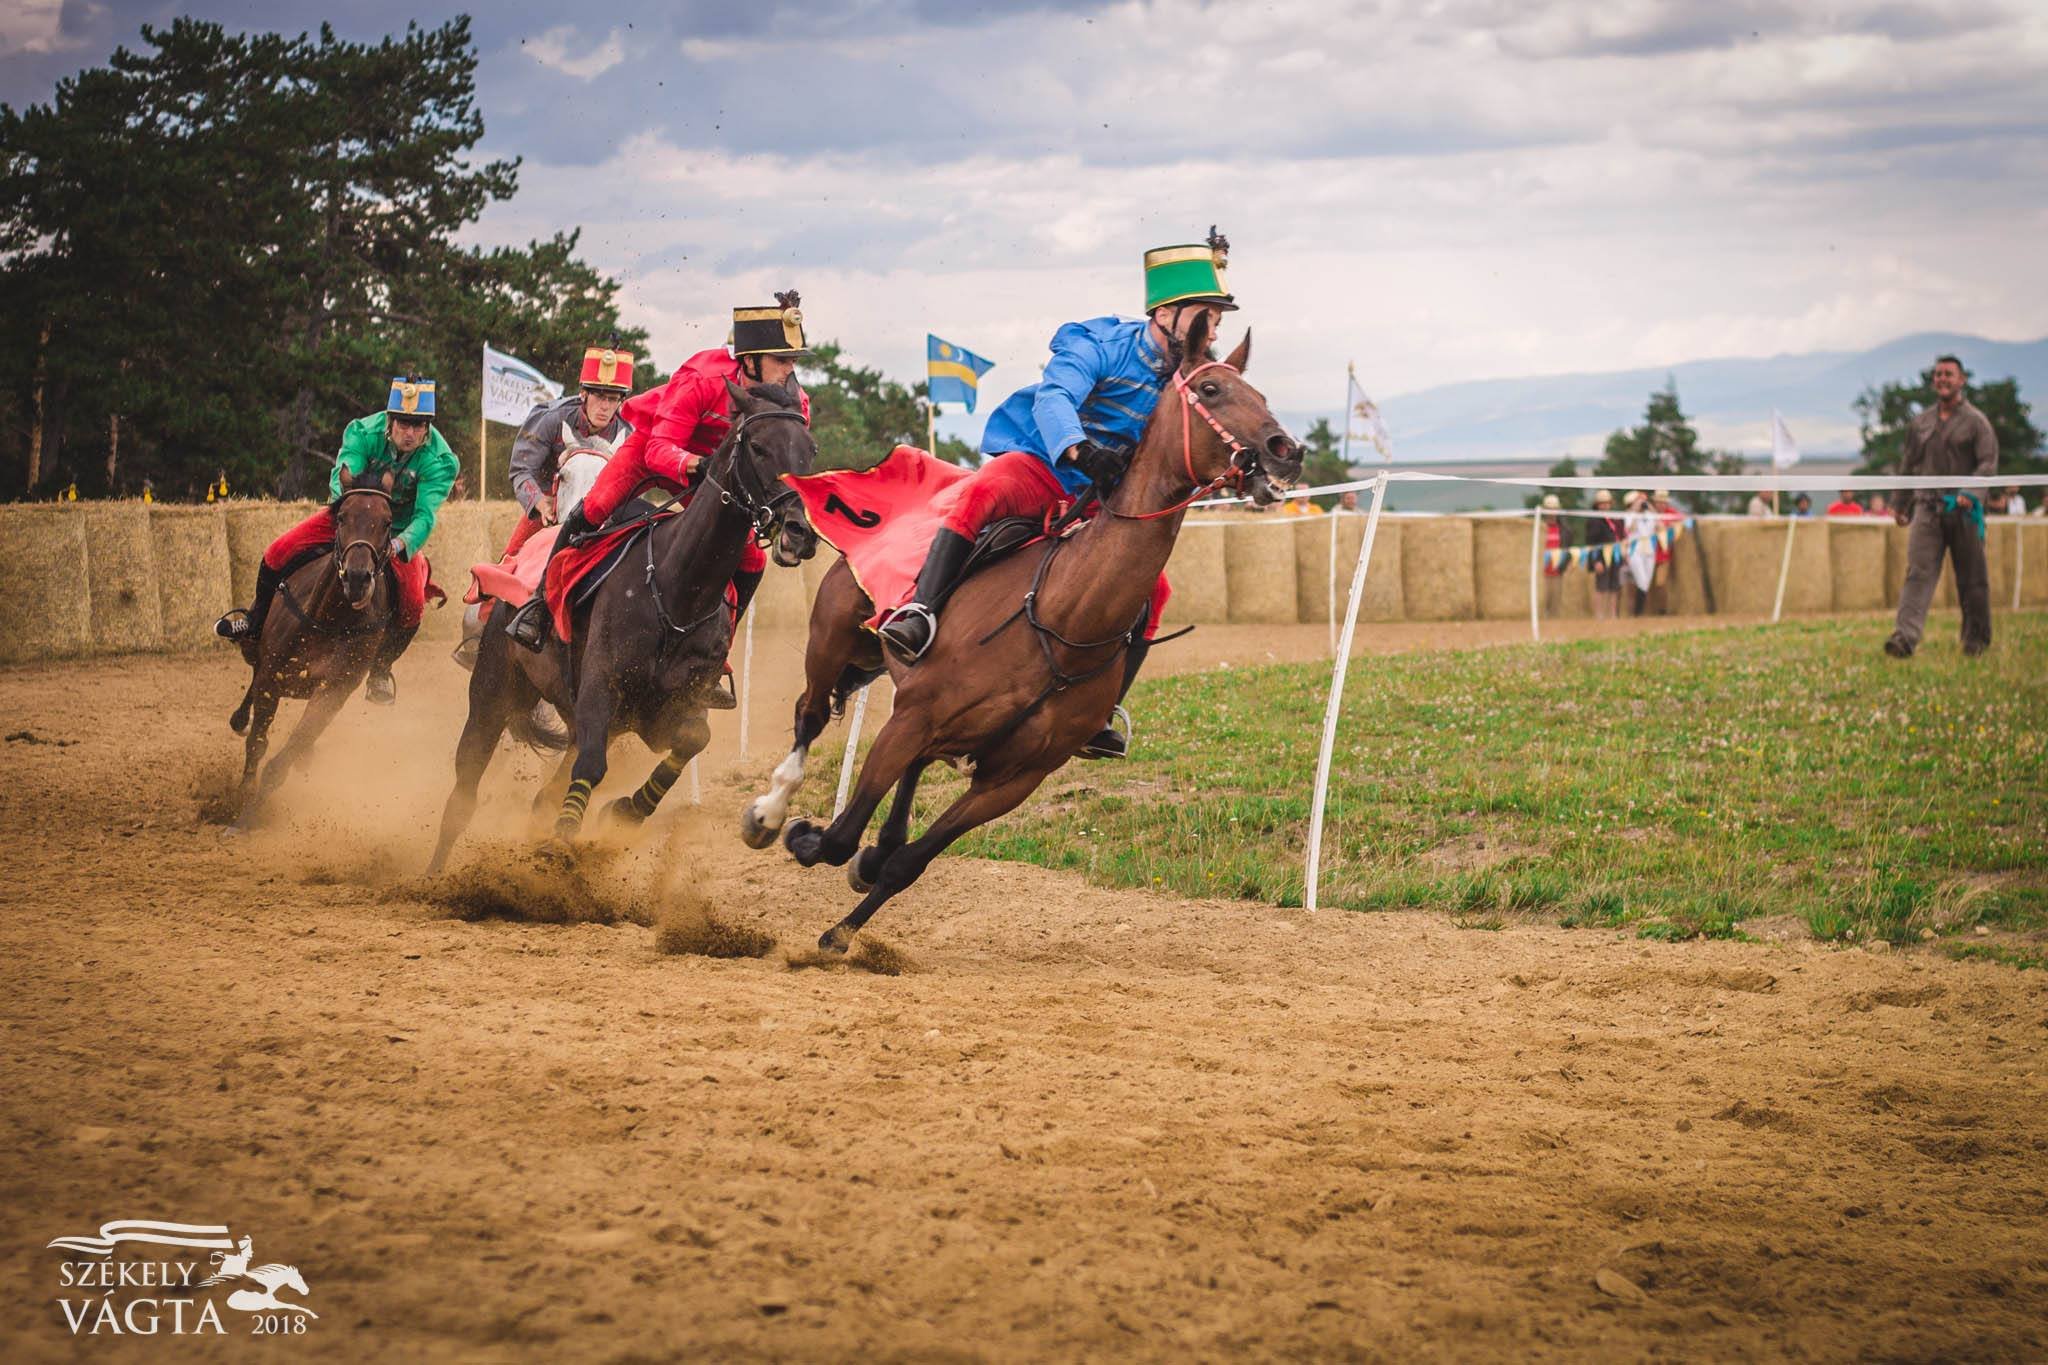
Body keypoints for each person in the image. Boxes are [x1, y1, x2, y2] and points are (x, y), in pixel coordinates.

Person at [874, 230, 1241, 760]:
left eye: (1218, 318)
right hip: (1044, 464)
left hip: (1104, 499)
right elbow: (1055, 399)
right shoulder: (1098, 344)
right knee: (984, 493)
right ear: (1166, 313)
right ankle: (920, 612)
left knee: (1153, 592)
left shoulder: (1193, 375)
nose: (1214, 328)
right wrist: (1080, 450)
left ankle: (1100, 712)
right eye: (1206, 314)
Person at [503, 295, 813, 655]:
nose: (790, 369)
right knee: (593, 509)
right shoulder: (701, 377)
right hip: (654, 452)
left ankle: (717, 648)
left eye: (793, 360)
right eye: (782, 359)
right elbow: (659, 449)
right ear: (750, 360)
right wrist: (698, 465)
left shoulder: (795, 402)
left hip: (710, 473)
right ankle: (539, 605)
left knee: (753, 559)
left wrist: (784, 520)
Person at [214, 377, 457, 705]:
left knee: (413, 601)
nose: (410, 432)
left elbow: (425, 516)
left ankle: (381, 668)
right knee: (277, 552)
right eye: (403, 423)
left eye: (418, 425)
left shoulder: (441, 461)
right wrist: (350, 524)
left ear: (427, 426)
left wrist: (398, 546)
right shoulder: (361, 432)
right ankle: (254, 623)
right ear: (390, 419)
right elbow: (341, 478)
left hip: (395, 530)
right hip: (351, 517)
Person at [1886, 354, 1998, 658]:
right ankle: (1904, 638)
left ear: (1961, 380)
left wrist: (1970, 492)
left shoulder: (1977, 422)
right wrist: (1900, 504)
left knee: (1972, 578)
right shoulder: (1920, 423)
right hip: (1927, 509)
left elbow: (1988, 463)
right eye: (1938, 374)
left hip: (1962, 510)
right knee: (1918, 573)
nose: (1942, 379)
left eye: (1949, 374)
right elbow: (1908, 464)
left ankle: (1975, 640)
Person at [503, 344, 636, 557]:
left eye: (612, 399)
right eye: (599, 397)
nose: (605, 406)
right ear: (583, 393)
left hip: (603, 515)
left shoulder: (629, 436)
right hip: (549, 505)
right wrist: (540, 502)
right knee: (508, 563)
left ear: (621, 401)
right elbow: (521, 469)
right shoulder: (550, 419)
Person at [1583, 489, 1623, 619]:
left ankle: (1612, 614)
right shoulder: (1594, 521)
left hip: (1614, 555)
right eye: (1602, 503)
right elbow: (1591, 542)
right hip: (1601, 557)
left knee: (1614, 586)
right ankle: (1599, 615)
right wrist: (1596, 561)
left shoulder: (1614, 519)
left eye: (1607, 503)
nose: (1605, 506)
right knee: (1601, 587)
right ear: (1597, 505)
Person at [1622, 491, 1658, 616]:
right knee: (1641, 580)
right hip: (1635, 550)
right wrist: (1636, 513)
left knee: (1646, 582)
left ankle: (1639, 612)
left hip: (1649, 550)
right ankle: (1638, 613)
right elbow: (1630, 529)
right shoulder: (1628, 515)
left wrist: (1652, 510)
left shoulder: (1650, 515)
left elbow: (1660, 527)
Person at [1539, 494, 1568, 616]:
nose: (1552, 512)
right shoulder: (1539, 528)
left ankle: (1554, 626)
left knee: (1555, 603)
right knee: (1542, 601)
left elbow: (1567, 549)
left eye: (1554, 509)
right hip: (1542, 572)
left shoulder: (1564, 530)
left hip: (1557, 571)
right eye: (1549, 509)